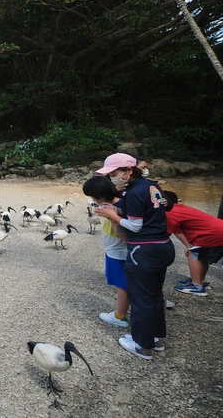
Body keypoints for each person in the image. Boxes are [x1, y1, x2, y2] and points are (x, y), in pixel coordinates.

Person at [94, 153, 174, 360]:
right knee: (155, 296)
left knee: (140, 299)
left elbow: (135, 226)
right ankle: (155, 338)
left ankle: (141, 345)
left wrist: (113, 216)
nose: (112, 178)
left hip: (144, 251)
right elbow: (148, 213)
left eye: (114, 173)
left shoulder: (135, 192)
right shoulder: (150, 186)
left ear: (129, 171)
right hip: (163, 246)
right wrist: (117, 209)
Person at [83, 175, 130, 327]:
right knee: (123, 282)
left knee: (121, 283)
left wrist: (111, 217)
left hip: (118, 251)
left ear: (100, 197)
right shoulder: (121, 201)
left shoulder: (115, 209)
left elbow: (123, 235)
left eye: (92, 196)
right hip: (114, 248)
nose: (92, 200)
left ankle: (120, 315)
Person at [163, 191, 223, 296]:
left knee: (194, 253)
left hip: (212, 233)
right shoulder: (180, 208)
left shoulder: (169, 212)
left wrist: (188, 246)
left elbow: (177, 232)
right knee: (203, 256)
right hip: (218, 229)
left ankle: (196, 285)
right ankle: (201, 281)